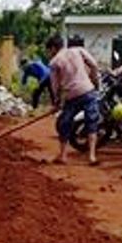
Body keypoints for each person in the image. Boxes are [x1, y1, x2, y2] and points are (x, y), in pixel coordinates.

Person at [47, 34, 101, 165]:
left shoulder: (54, 62)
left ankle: (62, 155)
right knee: (91, 123)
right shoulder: (78, 50)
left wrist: (56, 102)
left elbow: (55, 86)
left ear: (53, 48)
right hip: (88, 91)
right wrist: (95, 82)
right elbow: (94, 65)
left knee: (63, 123)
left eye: (49, 50)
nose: (49, 53)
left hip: (71, 96)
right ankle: (92, 156)